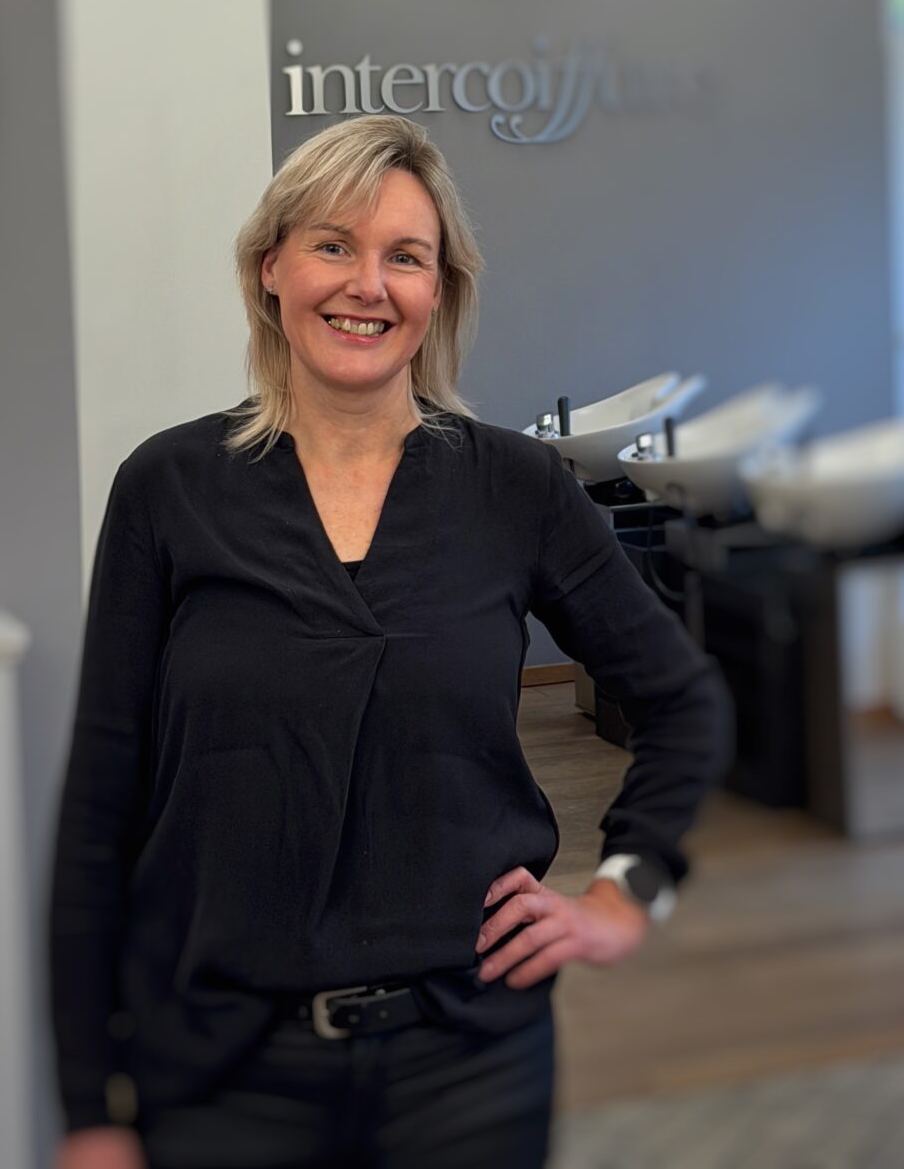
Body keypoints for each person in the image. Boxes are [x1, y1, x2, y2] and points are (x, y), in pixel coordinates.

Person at [48, 113, 731, 1169]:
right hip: (225, 1073)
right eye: (333, 244)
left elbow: (682, 701)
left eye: (404, 256)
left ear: (439, 290)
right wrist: (90, 1107)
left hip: (467, 1065)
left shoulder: (515, 488)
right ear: (271, 266)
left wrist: (623, 893)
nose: (366, 285)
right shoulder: (168, 489)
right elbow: (100, 806)